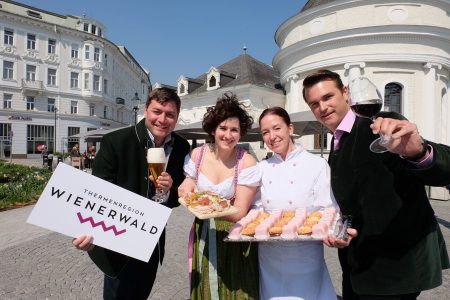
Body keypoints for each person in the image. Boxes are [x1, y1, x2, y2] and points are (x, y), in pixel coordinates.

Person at [302, 69, 450, 299]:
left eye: (328, 97)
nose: (322, 107)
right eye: (314, 103)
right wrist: (339, 228)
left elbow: (443, 170)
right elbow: (356, 198)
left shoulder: (382, 125)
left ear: (345, 93)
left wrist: (418, 152)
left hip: (397, 264)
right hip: (360, 264)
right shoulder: (337, 141)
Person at [72, 87, 190, 300]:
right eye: (157, 111)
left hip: (151, 241)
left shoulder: (181, 146)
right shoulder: (116, 141)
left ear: (177, 117)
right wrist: (85, 231)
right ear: (146, 110)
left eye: (170, 114)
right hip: (118, 241)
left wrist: (170, 190)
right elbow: (97, 192)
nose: (162, 119)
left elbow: (177, 197)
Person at [178, 92, 260, 299]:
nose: (228, 135)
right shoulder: (197, 155)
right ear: (213, 130)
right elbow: (190, 181)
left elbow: (240, 211)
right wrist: (186, 187)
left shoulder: (247, 161)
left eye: (234, 130)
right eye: (223, 128)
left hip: (234, 236)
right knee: (206, 287)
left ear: (241, 134)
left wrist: (207, 207)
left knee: (235, 290)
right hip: (204, 232)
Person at [255, 106, 338, 299]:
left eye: (277, 128)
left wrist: (329, 231)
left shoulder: (316, 164)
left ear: (290, 129)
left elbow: (328, 207)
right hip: (270, 256)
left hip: (305, 256)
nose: (271, 136)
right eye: (265, 132)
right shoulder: (261, 168)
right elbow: (255, 208)